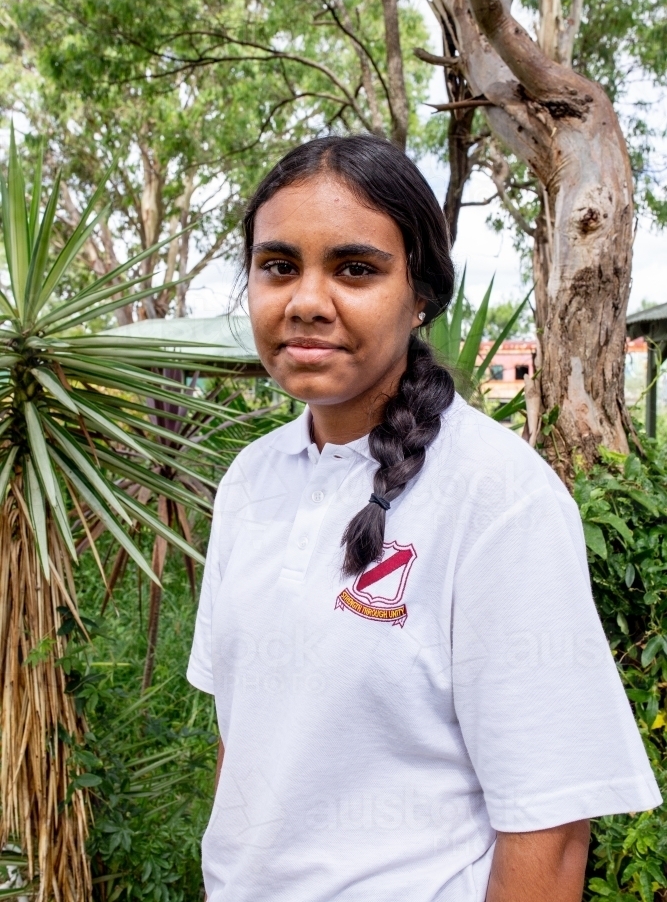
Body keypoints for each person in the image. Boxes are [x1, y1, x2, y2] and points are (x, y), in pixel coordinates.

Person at [187, 135, 660, 902]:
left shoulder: (498, 501)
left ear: (420, 296)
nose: (306, 300)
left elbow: (548, 825)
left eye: (354, 269)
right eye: (278, 266)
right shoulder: (251, 480)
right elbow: (246, 741)